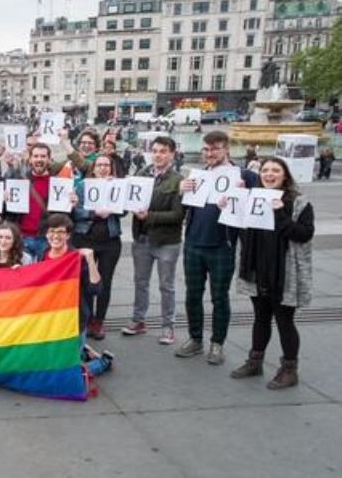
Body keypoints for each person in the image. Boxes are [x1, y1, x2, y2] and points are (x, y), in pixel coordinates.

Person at [229, 158, 314, 389]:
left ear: (285, 175)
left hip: (283, 273)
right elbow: (238, 225)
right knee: (260, 318)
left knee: (285, 321)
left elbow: (304, 234)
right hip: (257, 268)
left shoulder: (298, 202)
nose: (269, 174)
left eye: (276, 170)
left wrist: (280, 213)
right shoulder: (254, 198)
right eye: (265, 170)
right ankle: (255, 361)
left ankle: (289, 370)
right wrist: (233, 200)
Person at [176, 131, 259, 364]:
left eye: (215, 148)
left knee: (219, 297)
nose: (210, 153)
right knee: (193, 295)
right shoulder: (199, 176)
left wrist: (242, 196)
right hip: (194, 243)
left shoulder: (245, 176)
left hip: (222, 245)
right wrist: (181, 190)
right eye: (206, 149)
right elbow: (183, 208)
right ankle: (195, 339)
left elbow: (257, 209)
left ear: (226, 149)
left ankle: (217, 343)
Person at [122, 136, 185, 345]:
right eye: (155, 151)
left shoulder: (178, 180)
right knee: (140, 282)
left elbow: (178, 215)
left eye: (163, 151)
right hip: (142, 238)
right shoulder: (142, 174)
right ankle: (138, 320)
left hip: (167, 241)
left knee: (166, 286)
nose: (158, 155)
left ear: (172, 154)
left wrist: (149, 216)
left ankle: (168, 326)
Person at [39, 214, 113, 377]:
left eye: (60, 232)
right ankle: (83, 352)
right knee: (46, 366)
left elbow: (96, 289)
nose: (55, 236)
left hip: (74, 319)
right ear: (46, 234)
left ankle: (103, 362)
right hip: (50, 318)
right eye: (52, 231)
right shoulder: (43, 254)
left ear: (68, 235)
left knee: (68, 375)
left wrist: (91, 260)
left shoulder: (76, 258)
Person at [72, 155, 124, 340]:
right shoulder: (81, 186)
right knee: (87, 281)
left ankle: (98, 321)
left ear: (111, 168)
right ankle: (86, 319)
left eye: (106, 165)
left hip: (110, 241)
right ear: (93, 169)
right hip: (85, 238)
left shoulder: (116, 185)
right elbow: (75, 211)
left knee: (105, 282)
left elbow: (124, 211)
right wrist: (94, 213)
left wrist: (114, 202)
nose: (103, 168)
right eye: (99, 165)